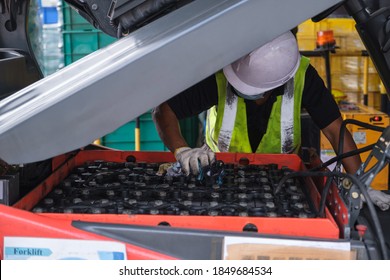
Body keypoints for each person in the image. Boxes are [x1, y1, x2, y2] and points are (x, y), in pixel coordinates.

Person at [152, 31, 390, 210]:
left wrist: (361, 183)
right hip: (219, 177)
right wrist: (182, 151)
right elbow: (163, 111)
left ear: (279, 81)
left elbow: (335, 130)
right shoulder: (222, 73)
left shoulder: (303, 77)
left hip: (283, 182)